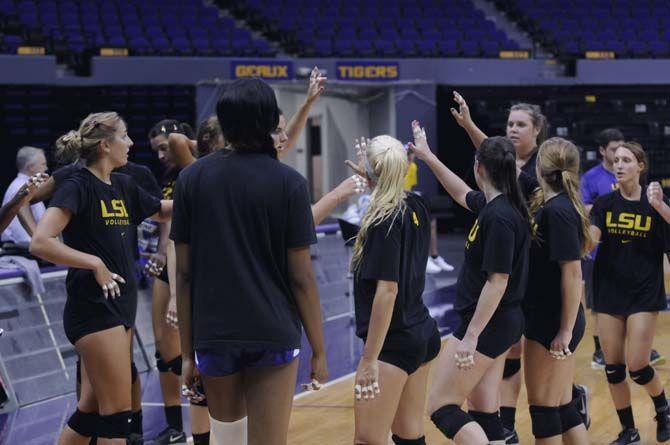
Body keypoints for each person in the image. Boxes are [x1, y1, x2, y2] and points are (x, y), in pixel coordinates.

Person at [172, 78, 328, 445]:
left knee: (227, 440)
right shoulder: (289, 183)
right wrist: (319, 350)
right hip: (272, 331)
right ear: (270, 120)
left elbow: (183, 274)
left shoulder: (191, 179)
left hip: (214, 334)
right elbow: (302, 277)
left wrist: (186, 354)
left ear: (223, 122)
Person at [29, 111, 172, 444]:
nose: (131, 143)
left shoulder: (122, 184)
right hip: (93, 309)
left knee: (91, 411)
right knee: (117, 415)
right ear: (106, 145)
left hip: (119, 307)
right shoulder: (78, 184)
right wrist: (93, 262)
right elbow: (40, 242)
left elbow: (161, 210)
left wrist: (209, 193)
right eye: (125, 136)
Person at [410, 121, 530, 445]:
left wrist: (471, 337)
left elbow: (498, 281)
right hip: (498, 323)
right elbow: (460, 192)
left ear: (479, 167)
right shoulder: (495, 206)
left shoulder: (500, 217)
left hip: (488, 324)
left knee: (441, 406)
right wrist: (428, 156)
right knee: (483, 410)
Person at [450, 91, 551, 443]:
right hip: (510, 270)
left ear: (538, 130)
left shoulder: (538, 171)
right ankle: (502, 429)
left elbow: (495, 160)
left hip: (526, 278)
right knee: (502, 364)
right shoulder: (502, 184)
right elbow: (493, 158)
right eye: (510, 123)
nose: (513, 129)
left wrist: (469, 128)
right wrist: (467, 127)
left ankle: (507, 426)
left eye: (521, 124)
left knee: (514, 362)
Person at [350, 135, 440, 445]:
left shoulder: (382, 220)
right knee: (409, 435)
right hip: (420, 332)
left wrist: (369, 359)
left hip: (394, 342)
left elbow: (387, 292)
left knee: (368, 439)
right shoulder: (414, 203)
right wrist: (372, 175)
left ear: (371, 171)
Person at [589, 142, 670, 445]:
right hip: (609, 291)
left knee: (637, 365)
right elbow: (592, 240)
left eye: (626, 160)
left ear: (641, 166)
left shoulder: (656, 203)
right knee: (613, 369)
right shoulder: (604, 205)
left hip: (644, 293)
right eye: (616, 160)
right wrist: (583, 241)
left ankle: (663, 409)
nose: (619, 164)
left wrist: (661, 207)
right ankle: (629, 431)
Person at [523, 137, 593, 444]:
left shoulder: (559, 211)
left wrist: (564, 331)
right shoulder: (551, 205)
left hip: (553, 321)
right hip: (549, 317)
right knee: (563, 408)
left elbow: (573, 271)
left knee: (544, 411)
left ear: (539, 167)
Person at [146, 119, 211, 445]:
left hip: (191, 265)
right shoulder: (167, 177)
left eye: (164, 148)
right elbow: (166, 229)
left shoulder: (196, 169)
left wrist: (184, 140)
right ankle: (175, 428)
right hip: (166, 262)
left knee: (191, 349)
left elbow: (179, 231)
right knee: (163, 348)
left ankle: (206, 413)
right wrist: (157, 252)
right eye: (155, 151)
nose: (161, 155)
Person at [2, 146, 48, 245]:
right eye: (43, 164)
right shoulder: (20, 189)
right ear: (31, 167)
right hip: (22, 254)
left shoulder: (28, 186)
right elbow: (20, 233)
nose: (46, 168)